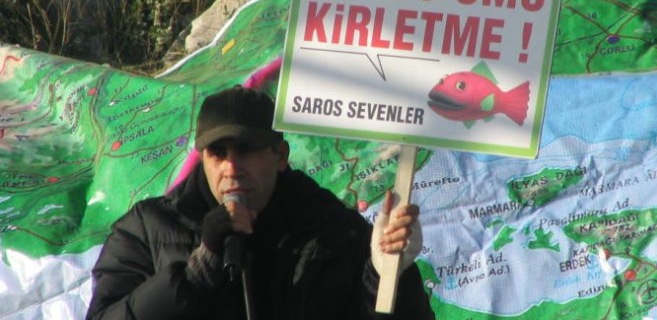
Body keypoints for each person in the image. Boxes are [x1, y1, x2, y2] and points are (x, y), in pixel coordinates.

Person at [86, 86, 435, 320]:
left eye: (246, 150)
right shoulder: (147, 230)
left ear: (280, 155)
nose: (231, 168)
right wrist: (195, 274)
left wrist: (388, 275)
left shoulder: (333, 229)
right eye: (218, 153)